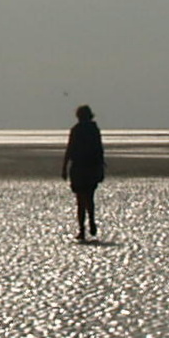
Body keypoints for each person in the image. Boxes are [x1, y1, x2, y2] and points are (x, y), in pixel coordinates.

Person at [64, 104, 105, 242]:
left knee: (81, 201)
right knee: (89, 198)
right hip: (90, 168)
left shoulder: (76, 130)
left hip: (80, 168)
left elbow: (70, 149)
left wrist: (64, 167)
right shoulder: (93, 130)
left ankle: (82, 229)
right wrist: (101, 167)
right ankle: (90, 221)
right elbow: (99, 150)